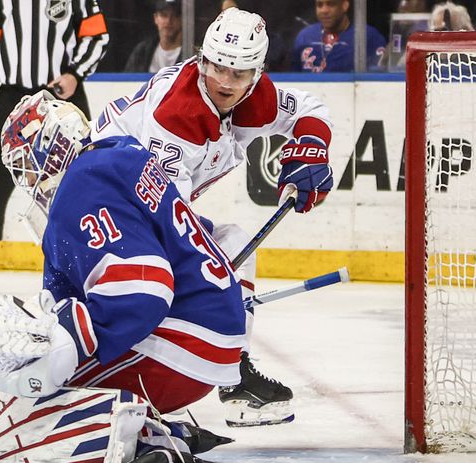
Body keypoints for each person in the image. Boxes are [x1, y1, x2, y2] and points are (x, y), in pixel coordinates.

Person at [0, 91, 242, 463]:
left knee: (27, 403)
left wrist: (62, 343)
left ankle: (148, 443)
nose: (28, 181)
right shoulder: (122, 156)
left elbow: (143, 292)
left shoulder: (81, 184)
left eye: (27, 167)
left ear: (51, 146)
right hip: (212, 332)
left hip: (183, 345)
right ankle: (160, 429)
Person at [90, 7, 334, 427]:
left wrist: (311, 146)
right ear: (203, 58)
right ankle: (94, 364)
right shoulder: (176, 117)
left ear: (256, 73)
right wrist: (206, 288)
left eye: (237, 74)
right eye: (216, 66)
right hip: (101, 200)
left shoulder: (254, 96)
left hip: (141, 199)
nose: (223, 80)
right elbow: (166, 220)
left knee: (232, 244)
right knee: (166, 283)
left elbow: (307, 107)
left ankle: (234, 377)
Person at [0, 0, 109, 292]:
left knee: (81, 172)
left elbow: (97, 35)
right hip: (13, 93)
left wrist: (75, 74)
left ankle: (92, 253)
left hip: (62, 91)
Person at [292, 0, 387, 72]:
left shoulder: (368, 36)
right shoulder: (304, 37)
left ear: (344, 5)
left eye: (331, 4)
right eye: (320, 5)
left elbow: (378, 79)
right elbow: (293, 77)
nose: (324, 10)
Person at [124, 0, 182, 73]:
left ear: (182, 19)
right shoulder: (142, 52)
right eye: (164, 15)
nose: (168, 21)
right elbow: (128, 81)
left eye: (175, 16)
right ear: (156, 18)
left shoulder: (192, 54)